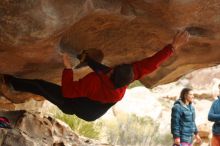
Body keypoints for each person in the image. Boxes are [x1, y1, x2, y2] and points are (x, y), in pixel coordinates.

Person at [2, 31, 189, 121]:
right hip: (95, 107)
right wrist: (172, 47)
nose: (112, 68)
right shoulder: (124, 79)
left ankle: (10, 81)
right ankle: (87, 58)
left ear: (113, 73)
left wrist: (67, 68)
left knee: (41, 85)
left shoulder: (93, 83)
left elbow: (68, 91)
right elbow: (151, 63)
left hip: (77, 106)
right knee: (100, 68)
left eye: (114, 68)